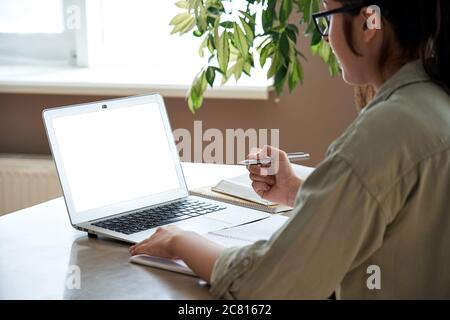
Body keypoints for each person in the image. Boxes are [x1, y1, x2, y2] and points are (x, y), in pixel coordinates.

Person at [130, 0, 450, 299]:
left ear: (368, 24)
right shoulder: (434, 101)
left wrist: (180, 240)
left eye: (326, 17)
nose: (324, 37)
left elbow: (265, 285)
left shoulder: (384, 132)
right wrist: (298, 192)